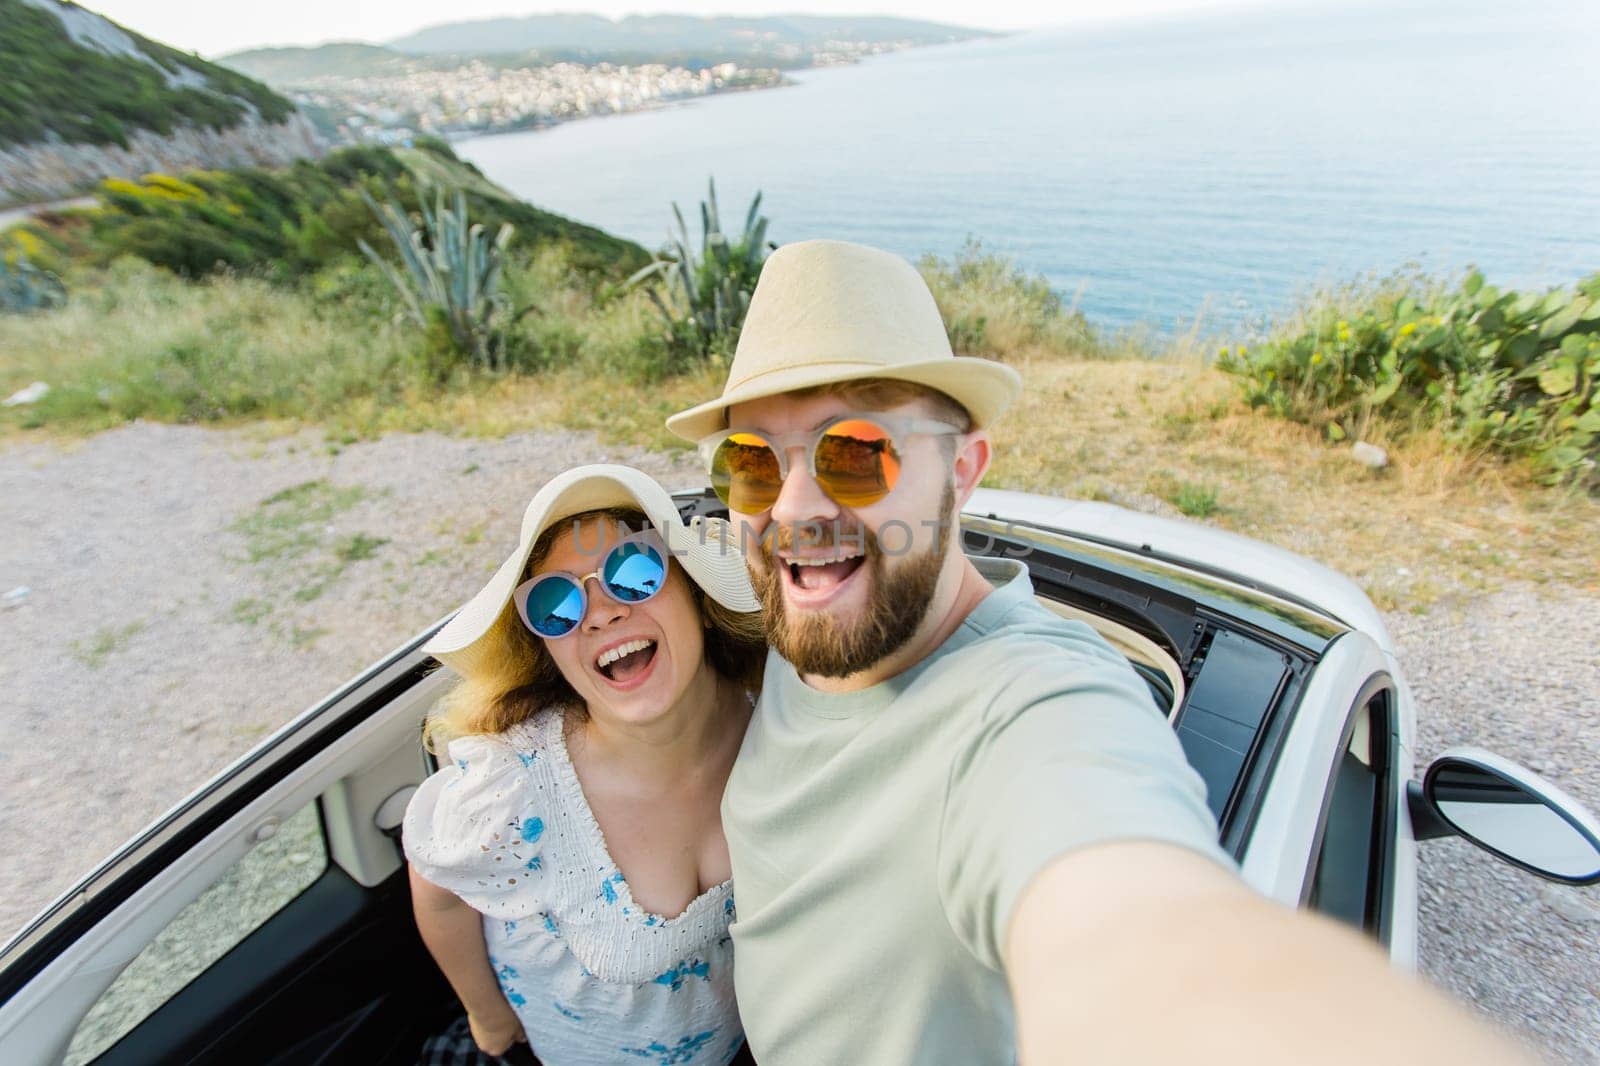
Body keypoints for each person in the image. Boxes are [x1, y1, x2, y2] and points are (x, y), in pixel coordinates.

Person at [664, 239, 1531, 1065]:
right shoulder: (798, 617)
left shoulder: (1031, 706)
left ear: (964, 471)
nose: (792, 510)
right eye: (752, 463)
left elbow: (1138, 928)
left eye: (855, 453)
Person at [402, 465, 765, 1066]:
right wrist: (486, 1016)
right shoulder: (512, 789)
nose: (599, 615)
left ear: (699, 595)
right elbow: (437, 893)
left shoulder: (779, 716)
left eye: (634, 571)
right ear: (545, 645)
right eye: (555, 603)